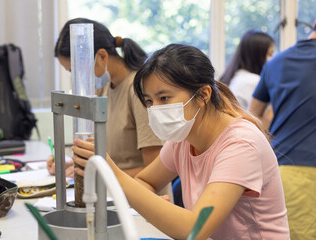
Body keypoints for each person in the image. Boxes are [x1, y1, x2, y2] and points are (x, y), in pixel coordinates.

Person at [72, 44, 290, 239]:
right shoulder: (183, 137)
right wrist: (155, 205)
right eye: (149, 101)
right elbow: (145, 181)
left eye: (164, 98)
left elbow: (195, 229)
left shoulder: (241, 144)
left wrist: (114, 174)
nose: (155, 109)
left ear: (203, 95)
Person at [47, 18, 163, 178]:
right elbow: (108, 158)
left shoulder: (140, 90)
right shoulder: (103, 88)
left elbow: (156, 171)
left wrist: (99, 175)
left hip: (140, 196)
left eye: (76, 70)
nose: (77, 78)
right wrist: (73, 166)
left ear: (102, 56)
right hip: (110, 190)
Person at [249, 20, 316, 240]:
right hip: (303, 172)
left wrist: (285, 130)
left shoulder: (276, 62)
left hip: (285, 169)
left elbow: (253, 115)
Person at [219, 30, 274, 109]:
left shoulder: (234, 76)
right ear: (257, 55)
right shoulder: (254, 81)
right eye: (270, 54)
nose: (272, 58)